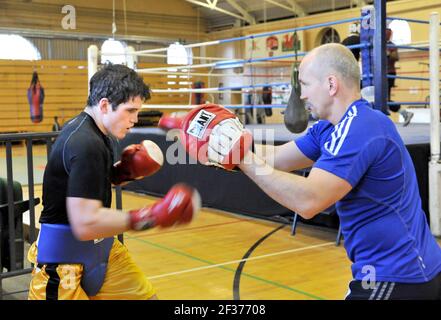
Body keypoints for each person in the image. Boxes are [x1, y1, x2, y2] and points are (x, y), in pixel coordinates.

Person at [159, 43, 441, 300]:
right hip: (389, 272)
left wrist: (240, 156)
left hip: (401, 278)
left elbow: (309, 201)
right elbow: (277, 159)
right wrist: (225, 147)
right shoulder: (330, 128)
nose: (302, 94)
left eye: (305, 84)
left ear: (331, 84)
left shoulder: (361, 128)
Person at [27, 64, 201, 300]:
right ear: (105, 105)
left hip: (102, 249)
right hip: (62, 259)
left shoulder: (99, 135)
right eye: (130, 111)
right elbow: (85, 223)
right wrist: (150, 216)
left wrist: (121, 173)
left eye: (137, 111)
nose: (135, 119)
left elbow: (86, 186)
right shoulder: (85, 142)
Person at [386, 28, 413, 126]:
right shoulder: (380, 43)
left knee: (384, 98)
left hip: (388, 73)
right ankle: (404, 113)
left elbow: (396, 57)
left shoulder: (391, 45)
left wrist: (388, 54)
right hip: (382, 73)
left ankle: (404, 113)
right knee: (384, 98)